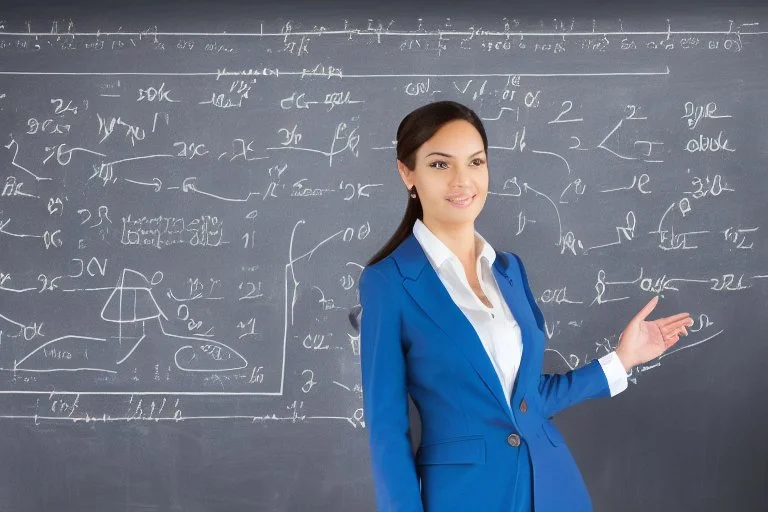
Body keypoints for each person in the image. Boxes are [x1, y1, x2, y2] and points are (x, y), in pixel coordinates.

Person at [357, 100, 694, 511]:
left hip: (552, 484)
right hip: (466, 495)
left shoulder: (509, 270)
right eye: (441, 165)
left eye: (476, 162)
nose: (463, 181)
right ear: (407, 173)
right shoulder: (388, 284)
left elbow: (527, 399)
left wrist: (622, 359)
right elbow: (387, 431)